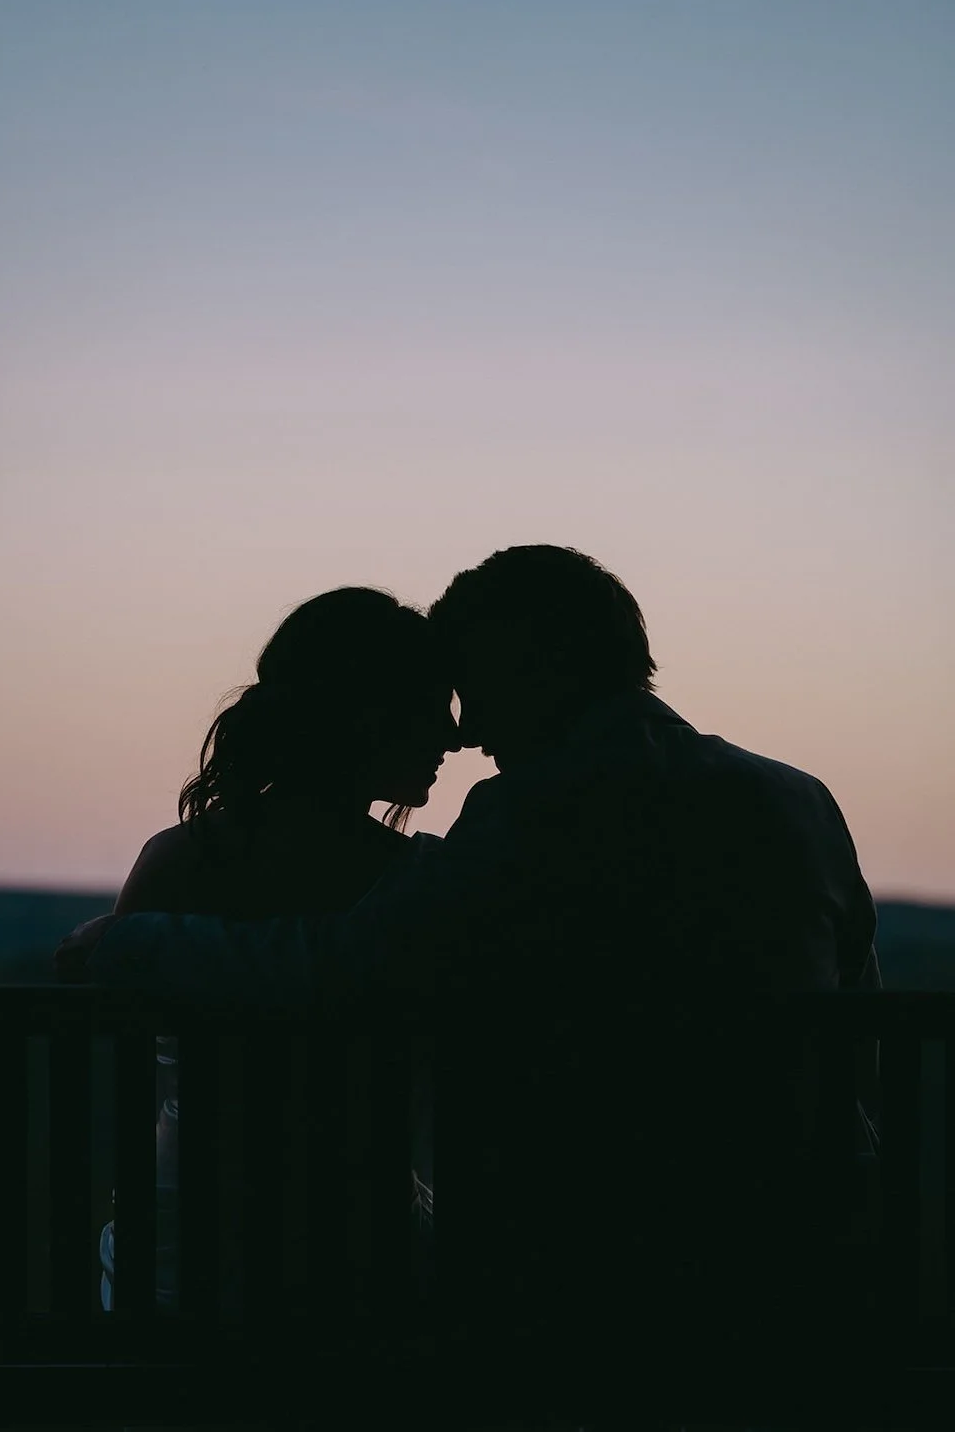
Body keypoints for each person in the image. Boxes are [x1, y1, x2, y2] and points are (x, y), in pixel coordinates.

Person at [59, 545, 879, 1400]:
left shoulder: (532, 815)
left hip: (606, 1264)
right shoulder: (799, 798)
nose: (467, 729)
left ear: (538, 662)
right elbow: (862, 1020)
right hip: (817, 1235)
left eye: (473, 684)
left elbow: (346, 968)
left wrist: (128, 943)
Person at [90, 586, 459, 1316]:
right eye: (429, 708)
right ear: (366, 719)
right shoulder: (423, 881)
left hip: (175, 1258)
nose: (452, 737)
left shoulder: (176, 861)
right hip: (357, 1260)